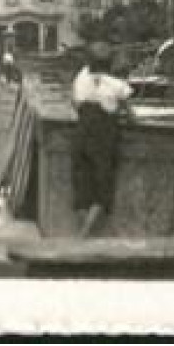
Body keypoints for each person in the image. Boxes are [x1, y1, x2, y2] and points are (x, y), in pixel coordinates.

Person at [70, 41, 134, 237]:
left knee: (81, 183)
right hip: (103, 138)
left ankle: (83, 230)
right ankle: (84, 235)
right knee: (103, 187)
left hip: (82, 133)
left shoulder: (80, 78)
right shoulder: (117, 85)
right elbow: (130, 114)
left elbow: (74, 103)